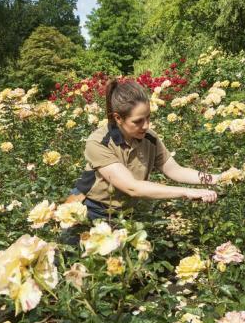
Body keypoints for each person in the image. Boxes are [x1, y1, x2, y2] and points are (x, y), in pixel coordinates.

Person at [67, 79, 219, 221]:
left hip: (123, 215)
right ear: (118, 118)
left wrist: (216, 178)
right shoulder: (99, 142)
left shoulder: (149, 138)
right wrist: (186, 192)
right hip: (87, 210)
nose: (146, 125)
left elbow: (175, 170)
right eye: (138, 121)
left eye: (148, 117)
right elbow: (132, 187)